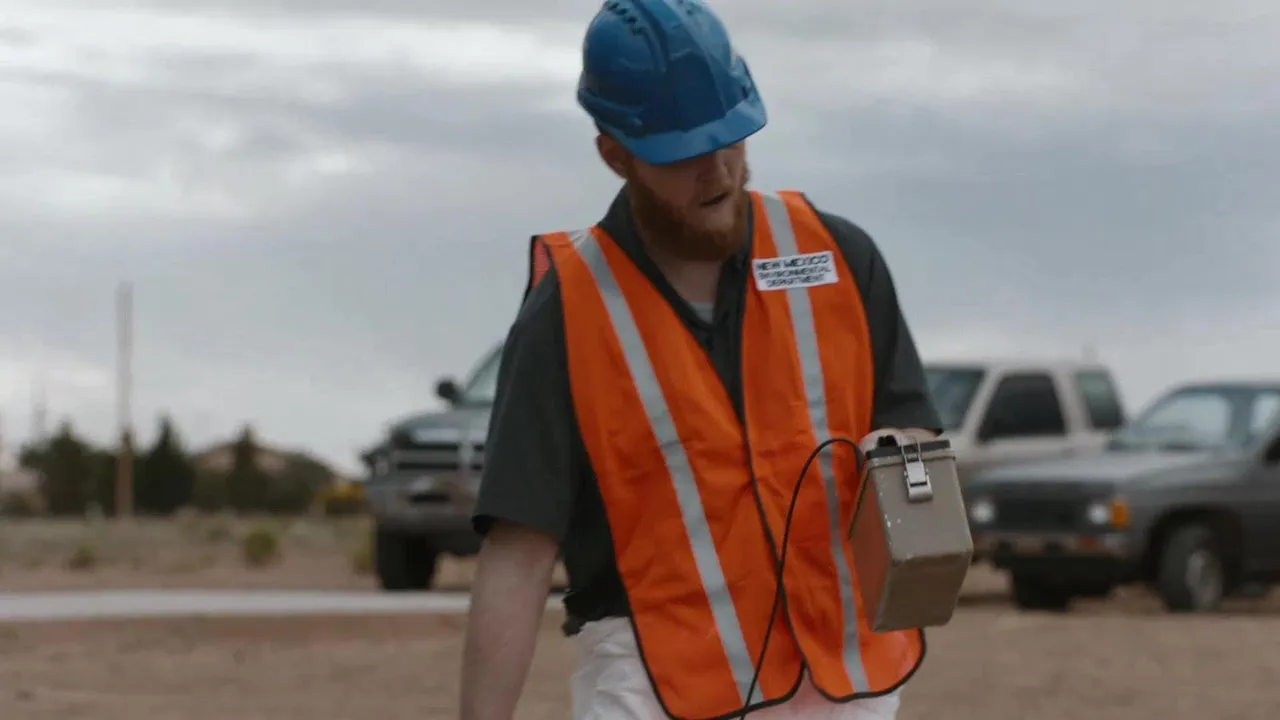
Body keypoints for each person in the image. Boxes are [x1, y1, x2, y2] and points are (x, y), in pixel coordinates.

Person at [459, 1, 942, 719]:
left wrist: (904, 463)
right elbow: (519, 553)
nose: (717, 169)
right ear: (615, 154)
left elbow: (911, 433)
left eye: (730, 136)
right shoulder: (567, 312)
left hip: (840, 681)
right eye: (681, 152)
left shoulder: (838, 258)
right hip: (656, 685)